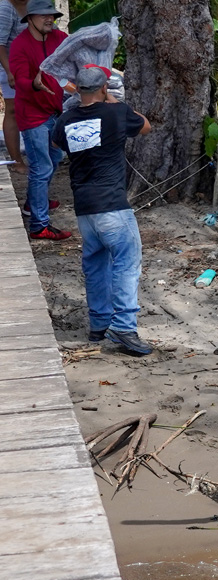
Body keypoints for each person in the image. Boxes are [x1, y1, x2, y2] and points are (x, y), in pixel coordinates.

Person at [53, 64, 153, 355]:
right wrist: (111, 100)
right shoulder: (116, 112)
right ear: (103, 88)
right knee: (126, 262)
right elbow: (145, 126)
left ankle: (99, 324)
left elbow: (56, 141)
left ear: (78, 89)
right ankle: (123, 326)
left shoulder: (66, 120)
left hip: (84, 207)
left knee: (96, 263)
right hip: (112, 205)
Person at [9, 0, 69, 240]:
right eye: (44, 15)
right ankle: (39, 225)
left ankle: (34, 202)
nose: (49, 19)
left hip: (55, 111)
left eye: (52, 15)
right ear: (30, 18)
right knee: (41, 166)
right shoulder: (20, 45)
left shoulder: (59, 38)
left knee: (55, 157)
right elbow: (19, 80)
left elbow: (77, 51)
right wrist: (33, 84)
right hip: (32, 115)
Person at [0, 0, 28, 172]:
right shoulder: (5, 7)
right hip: (9, 65)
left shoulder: (35, 4)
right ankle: (16, 161)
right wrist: (10, 72)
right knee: (12, 110)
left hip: (30, 64)